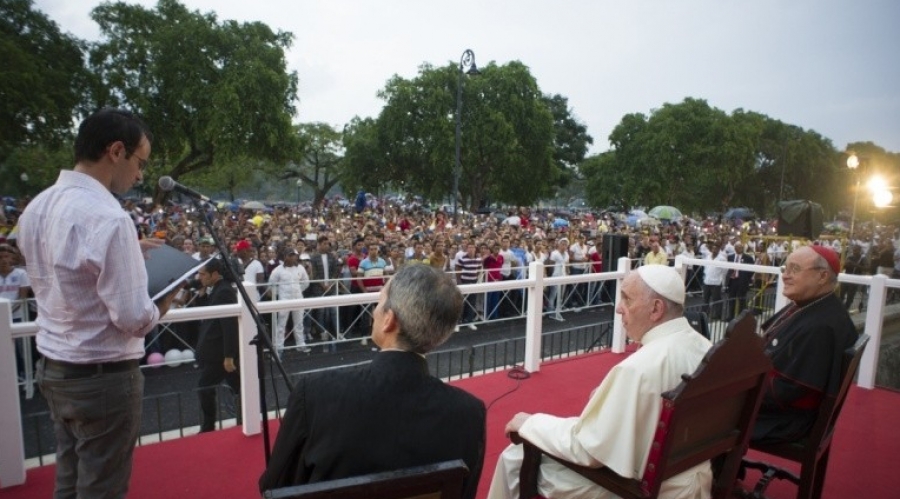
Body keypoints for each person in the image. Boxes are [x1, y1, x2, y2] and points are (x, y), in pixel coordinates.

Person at [17, 108, 178, 498]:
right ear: (116, 151)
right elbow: (134, 319)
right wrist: (169, 295)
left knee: (69, 481)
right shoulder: (110, 217)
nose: (140, 175)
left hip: (55, 370)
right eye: (140, 162)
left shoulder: (37, 206)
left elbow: (66, 267)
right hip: (102, 377)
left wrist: (127, 251)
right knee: (101, 489)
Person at [259, 264, 487, 499]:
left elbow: (274, 487)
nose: (373, 312)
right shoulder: (469, 413)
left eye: (379, 302)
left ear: (389, 320)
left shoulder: (314, 393)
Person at [487, 265, 713, 499]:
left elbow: (588, 450)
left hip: (641, 487)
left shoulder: (637, 369)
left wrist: (530, 423)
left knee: (514, 457)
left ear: (656, 308)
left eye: (627, 299)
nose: (618, 309)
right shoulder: (707, 348)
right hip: (689, 474)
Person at [752, 245, 858, 445]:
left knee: (705, 410)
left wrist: (738, 383)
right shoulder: (812, 305)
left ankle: (719, 470)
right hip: (780, 408)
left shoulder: (822, 327)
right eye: (786, 269)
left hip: (786, 419)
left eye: (795, 269)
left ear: (822, 276)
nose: (785, 276)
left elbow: (787, 390)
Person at [194, 258, 241, 433]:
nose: (200, 277)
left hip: (219, 354)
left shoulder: (225, 291)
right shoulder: (217, 289)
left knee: (204, 387)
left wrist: (229, 356)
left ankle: (208, 427)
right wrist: (202, 293)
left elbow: (229, 325)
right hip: (216, 352)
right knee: (238, 386)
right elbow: (207, 312)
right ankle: (244, 419)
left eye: (203, 274)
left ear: (215, 274)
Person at [725, 242, 754, 321]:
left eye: (741, 247)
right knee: (731, 300)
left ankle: (741, 318)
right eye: (738, 247)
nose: (740, 249)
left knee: (741, 300)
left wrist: (746, 279)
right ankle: (730, 316)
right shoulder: (730, 257)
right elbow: (728, 269)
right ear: (735, 248)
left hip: (742, 281)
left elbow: (751, 270)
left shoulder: (748, 258)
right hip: (732, 281)